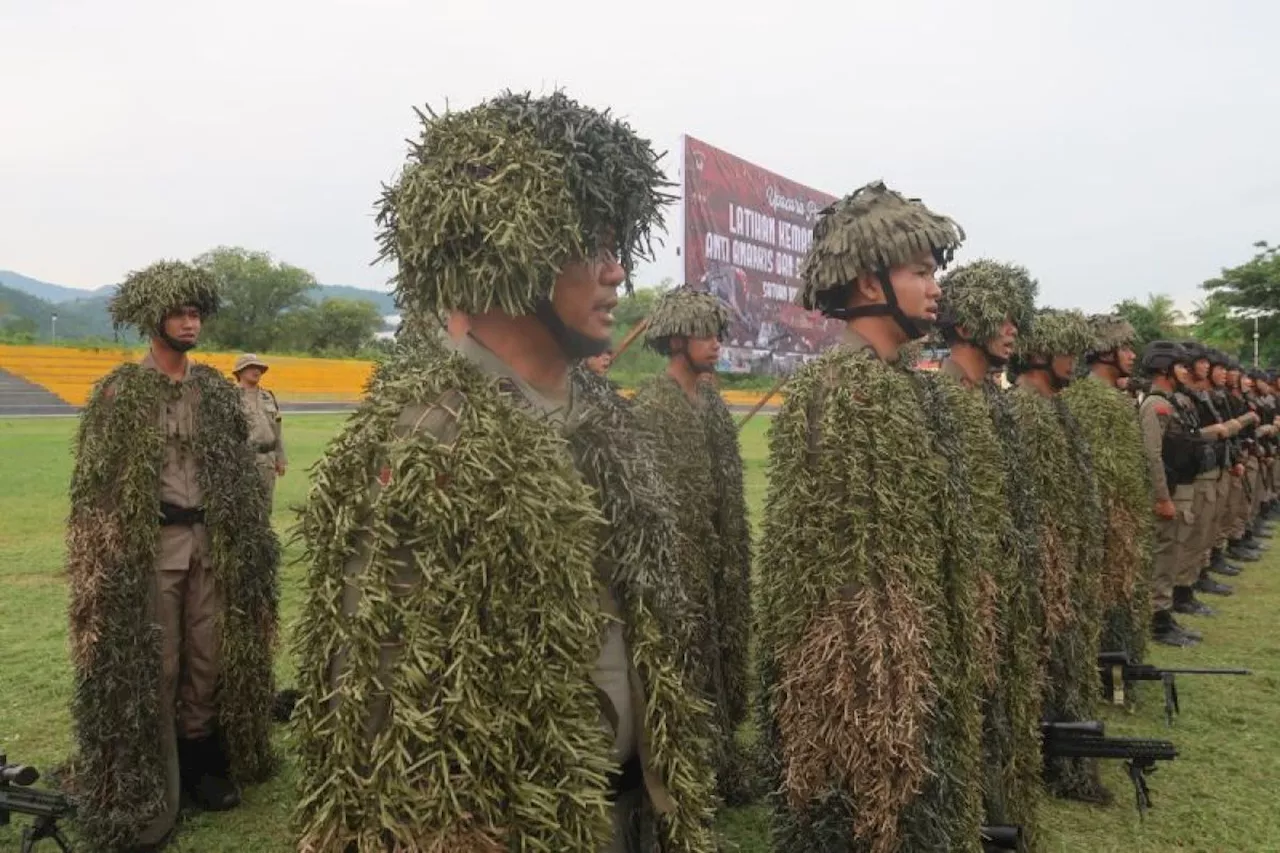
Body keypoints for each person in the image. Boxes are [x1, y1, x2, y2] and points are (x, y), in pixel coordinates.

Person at [291, 90, 716, 853]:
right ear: (510, 250)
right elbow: (394, 720)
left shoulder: (603, 416)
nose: (617, 271)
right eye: (590, 242)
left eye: (618, 242)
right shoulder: (430, 441)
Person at [756, 181, 985, 851]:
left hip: (911, 648)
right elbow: (837, 569)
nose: (934, 286)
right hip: (868, 669)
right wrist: (871, 692)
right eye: (920, 271)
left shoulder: (902, 383)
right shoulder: (841, 389)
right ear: (866, 282)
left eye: (933, 269)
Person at [65, 261, 279, 853]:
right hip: (154, 549)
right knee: (157, 662)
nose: (191, 323)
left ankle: (202, 762)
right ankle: (157, 778)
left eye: (196, 313)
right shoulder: (120, 393)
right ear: (151, 319)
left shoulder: (214, 388)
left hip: (211, 545)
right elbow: (100, 486)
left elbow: (236, 472)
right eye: (180, 313)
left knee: (208, 658)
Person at [934, 258, 1043, 847]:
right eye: (1001, 318)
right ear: (968, 320)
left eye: (1015, 319)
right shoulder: (939, 400)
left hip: (1002, 587)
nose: (1012, 330)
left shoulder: (996, 402)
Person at [630, 285, 752, 804]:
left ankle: (718, 762)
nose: (716, 344)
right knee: (683, 664)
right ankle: (683, 776)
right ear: (676, 339)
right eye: (705, 335)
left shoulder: (712, 403)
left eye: (718, 334)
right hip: (677, 564)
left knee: (719, 658)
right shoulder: (654, 407)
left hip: (720, 560)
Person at [1006, 307, 1109, 804]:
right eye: (1067, 352)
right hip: (1042, 563)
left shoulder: (1054, 407)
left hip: (1063, 559)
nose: (1075, 362)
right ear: (1041, 354)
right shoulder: (1025, 410)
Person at [1062, 315, 1154, 663]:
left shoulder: (1115, 397)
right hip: (1105, 523)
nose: (1132, 355)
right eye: (1124, 348)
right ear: (1104, 353)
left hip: (1125, 518)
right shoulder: (1087, 399)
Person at [1136, 341, 1203, 647]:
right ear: (1165, 369)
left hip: (1176, 490)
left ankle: (1163, 615)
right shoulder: (1155, 405)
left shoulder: (1170, 402)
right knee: (1163, 558)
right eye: (1181, 366)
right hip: (1168, 493)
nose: (1186, 372)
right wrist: (1162, 497)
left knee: (1171, 555)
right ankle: (1157, 620)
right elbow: (1153, 454)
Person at [233, 354, 287, 509]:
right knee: (245, 508)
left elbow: (277, 430)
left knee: (265, 506)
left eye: (259, 368)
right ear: (240, 372)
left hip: (267, 461)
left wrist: (280, 458)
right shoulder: (231, 397)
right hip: (244, 460)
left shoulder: (268, 397)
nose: (256, 371)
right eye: (251, 367)